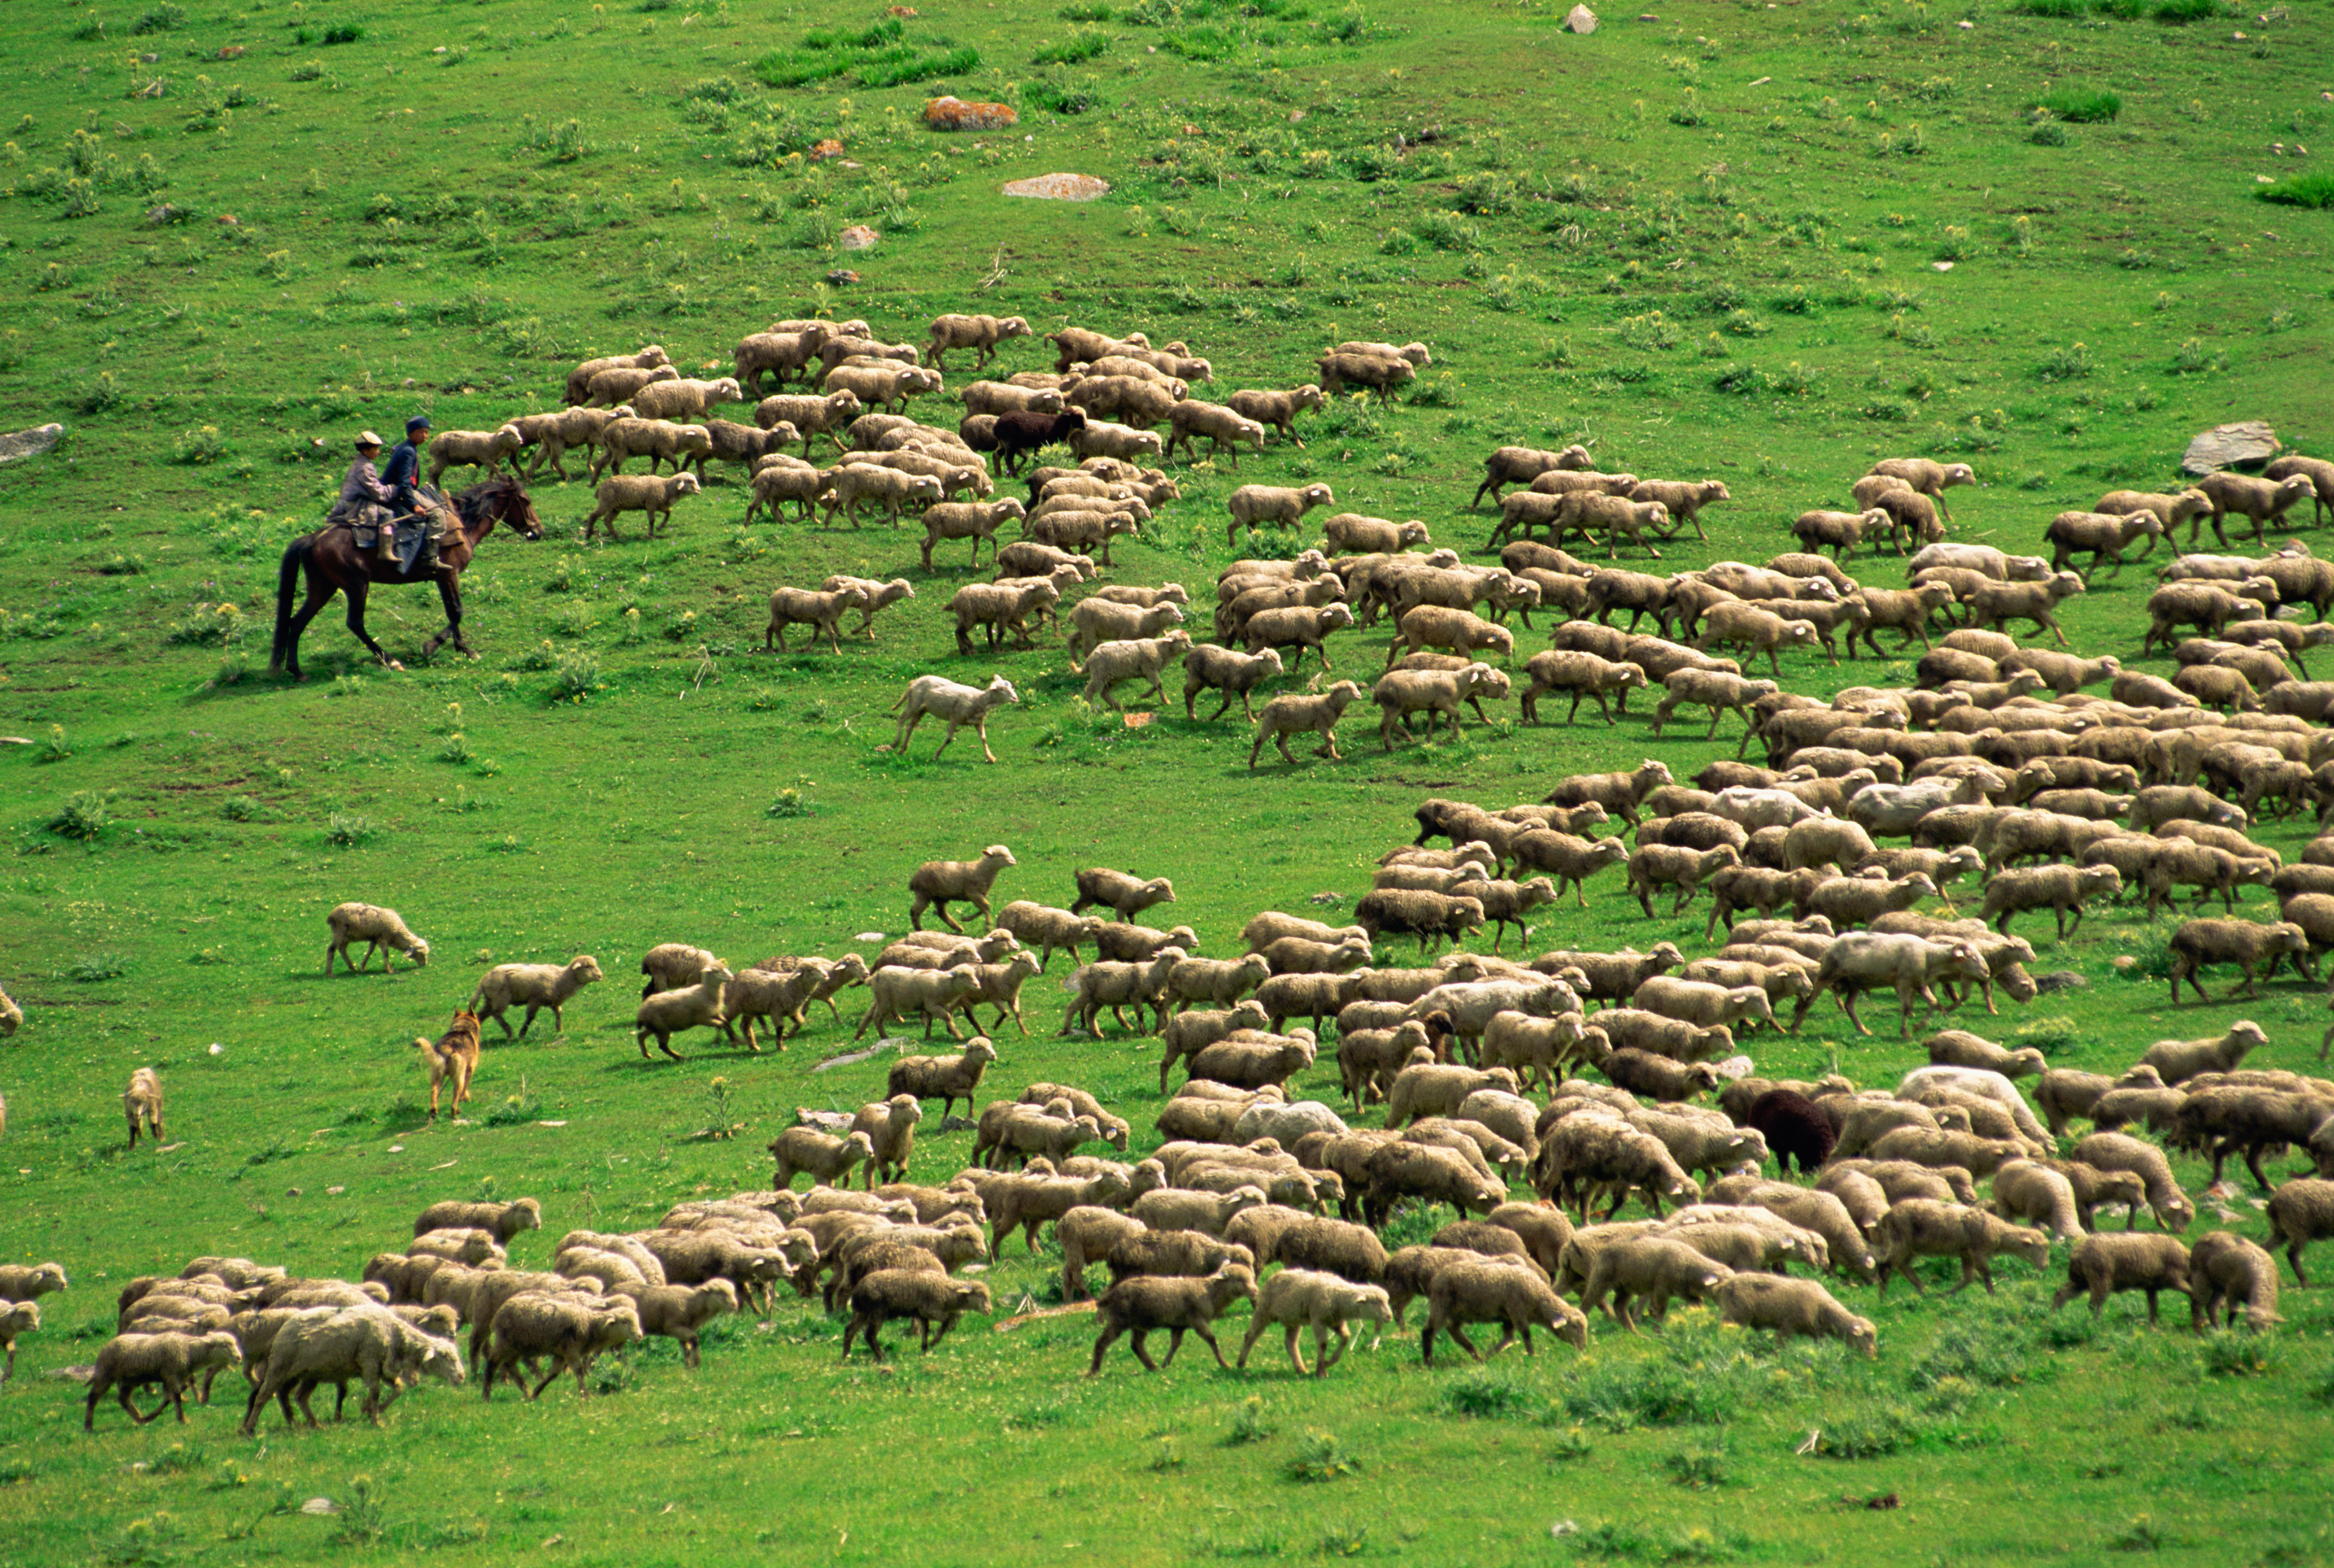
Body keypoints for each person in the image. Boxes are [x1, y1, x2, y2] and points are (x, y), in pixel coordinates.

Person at [380, 414, 447, 573]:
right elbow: (404, 484)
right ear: (411, 434)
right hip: (401, 491)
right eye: (420, 432)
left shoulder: (407, 448)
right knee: (438, 513)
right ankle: (429, 559)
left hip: (404, 489)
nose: (424, 436)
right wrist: (415, 505)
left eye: (426, 432)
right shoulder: (408, 451)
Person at [327, 431, 398, 565]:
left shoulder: (362, 464)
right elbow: (379, 494)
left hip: (357, 500)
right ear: (365, 451)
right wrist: (395, 489)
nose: (378, 452)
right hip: (355, 505)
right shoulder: (365, 468)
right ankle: (386, 551)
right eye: (375, 449)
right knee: (387, 514)